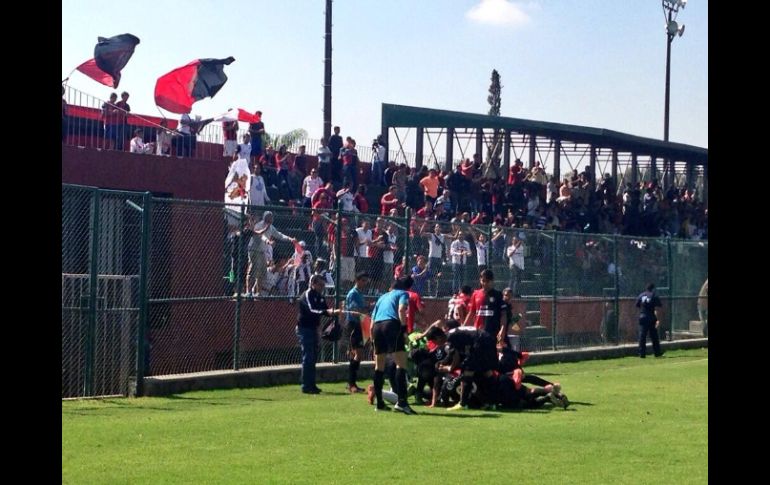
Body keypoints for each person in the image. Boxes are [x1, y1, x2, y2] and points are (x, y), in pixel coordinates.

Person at [369, 276, 417, 414]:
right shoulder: (403, 294)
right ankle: (402, 403)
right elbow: (402, 310)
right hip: (391, 325)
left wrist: (373, 341)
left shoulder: (382, 297)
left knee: (379, 366)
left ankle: (379, 403)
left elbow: (372, 322)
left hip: (377, 327)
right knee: (400, 364)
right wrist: (403, 330)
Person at [296, 275, 343, 394]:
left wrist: (333, 312)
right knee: (308, 357)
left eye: (323, 285)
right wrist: (327, 311)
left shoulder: (320, 296)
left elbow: (325, 309)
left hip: (314, 329)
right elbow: (312, 310)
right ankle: (306, 385)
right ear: (314, 284)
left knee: (313, 357)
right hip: (304, 329)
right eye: (320, 285)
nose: (322, 287)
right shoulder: (307, 295)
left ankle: (312, 384)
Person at [343, 272, 371, 393]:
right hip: (353, 325)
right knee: (358, 354)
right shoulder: (353, 293)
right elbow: (355, 310)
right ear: (357, 280)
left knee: (356, 354)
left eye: (366, 281)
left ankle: (351, 382)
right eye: (363, 280)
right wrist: (368, 308)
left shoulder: (359, 293)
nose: (365, 283)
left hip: (359, 324)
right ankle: (351, 384)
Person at [636, 283, 664, 358]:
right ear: (653, 289)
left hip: (642, 317)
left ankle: (642, 353)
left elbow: (637, 306)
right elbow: (658, 308)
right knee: (654, 336)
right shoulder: (654, 295)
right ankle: (657, 353)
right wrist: (658, 319)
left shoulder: (641, 295)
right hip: (651, 317)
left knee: (642, 336)